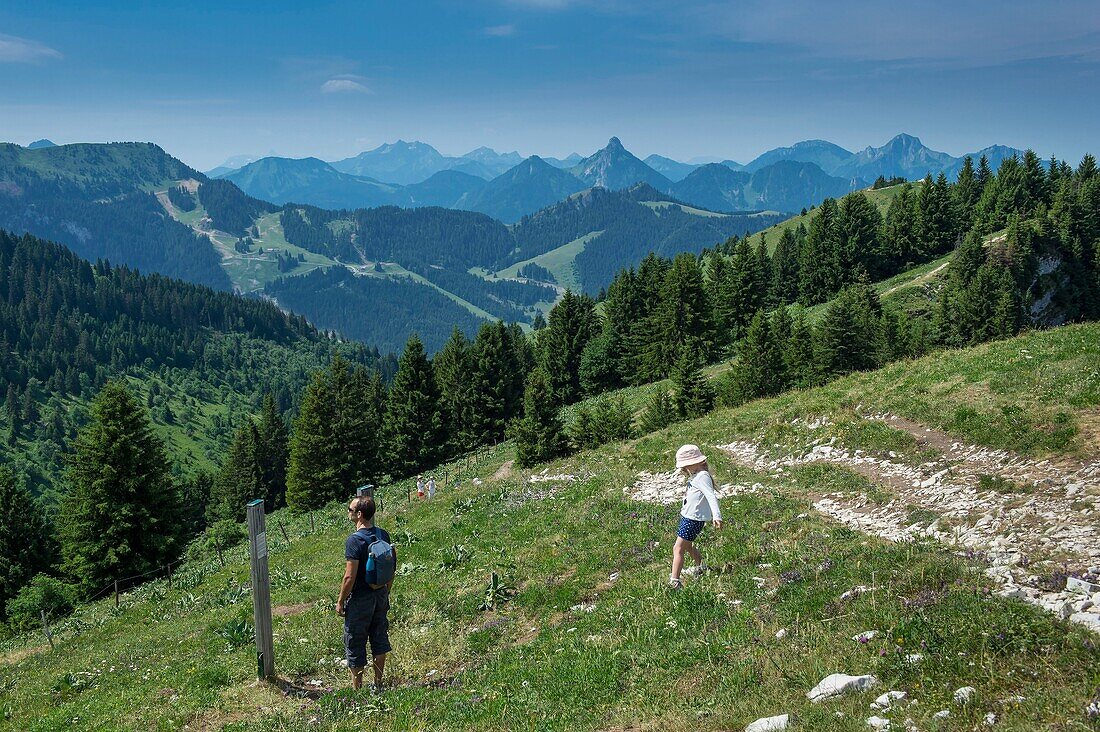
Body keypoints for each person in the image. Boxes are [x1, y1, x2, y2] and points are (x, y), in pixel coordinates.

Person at [336, 495, 395, 691]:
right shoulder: (383, 535)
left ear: (359, 514)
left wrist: (341, 600)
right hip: (380, 594)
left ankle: (358, 690)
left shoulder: (354, 541)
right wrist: (386, 590)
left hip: (361, 598)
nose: (348, 512)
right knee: (379, 637)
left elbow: (349, 577)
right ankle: (378, 683)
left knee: (355, 641)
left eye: (350, 509)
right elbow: (392, 566)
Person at [670, 444, 722, 589]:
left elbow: (711, 496)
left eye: (686, 465)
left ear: (695, 462)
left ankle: (675, 581)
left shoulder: (702, 476)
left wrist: (717, 516)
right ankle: (701, 566)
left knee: (678, 549)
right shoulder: (697, 475)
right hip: (689, 517)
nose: (684, 469)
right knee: (687, 546)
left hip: (693, 519)